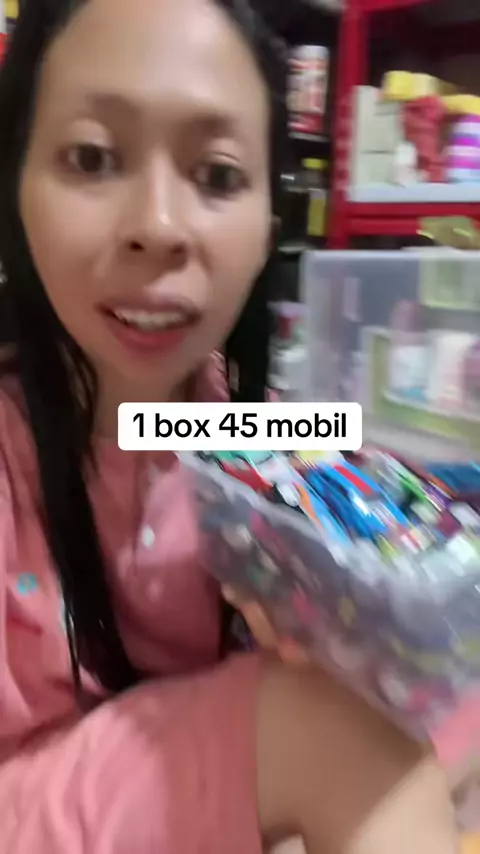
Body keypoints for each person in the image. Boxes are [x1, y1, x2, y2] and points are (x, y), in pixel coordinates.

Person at [0, 1, 457, 852]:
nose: (158, 227)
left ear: (266, 232)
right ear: (16, 192)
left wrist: (338, 616)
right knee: (338, 735)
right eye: (93, 157)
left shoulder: (263, 435)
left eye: (215, 175)